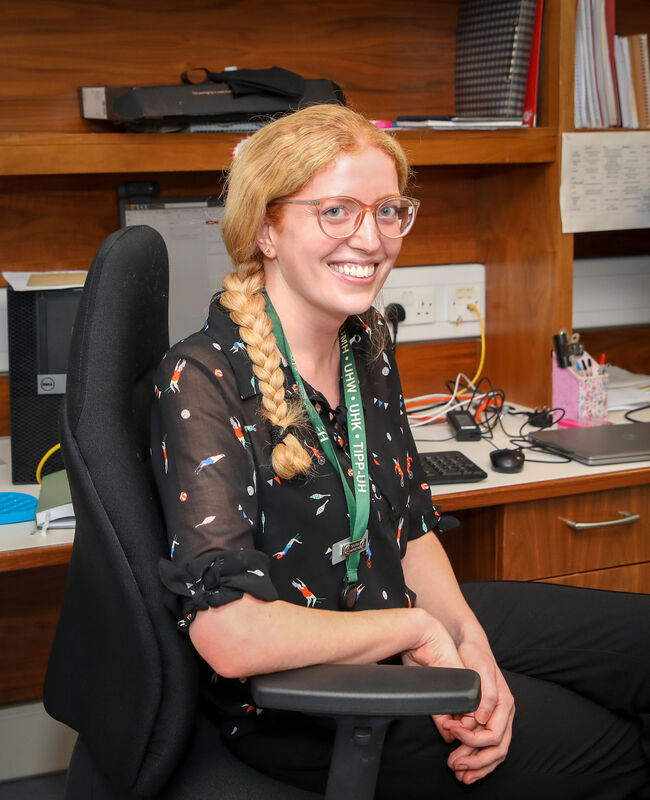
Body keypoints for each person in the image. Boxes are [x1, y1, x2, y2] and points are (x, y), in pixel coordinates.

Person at [151, 103, 650, 799]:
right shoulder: (202, 380)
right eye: (336, 211)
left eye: (389, 211)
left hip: (383, 614)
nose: (372, 237)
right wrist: (421, 631)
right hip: (308, 699)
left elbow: (409, 527)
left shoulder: (365, 341)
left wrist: (470, 645)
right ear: (265, 227)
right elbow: (230, 638)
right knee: (616, 750)